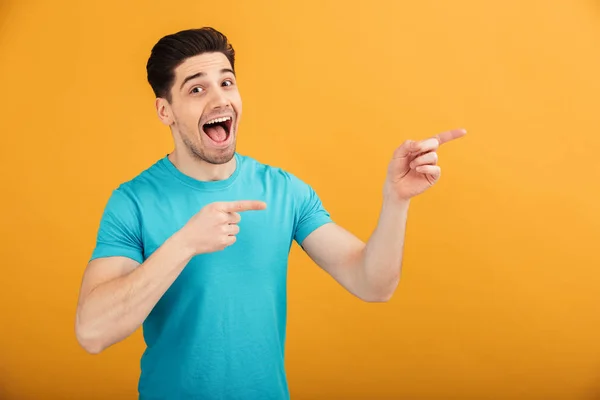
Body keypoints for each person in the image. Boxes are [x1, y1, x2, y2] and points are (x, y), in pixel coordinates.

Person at [74, 27, 466, 400]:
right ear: (166, 111)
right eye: (196, 89)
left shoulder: (284, 190)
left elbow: (373, 285)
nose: (219, 100)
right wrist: (185, 243)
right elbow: (92, 332)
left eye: (226, 83)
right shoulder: (133, 201)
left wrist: (396, 200)